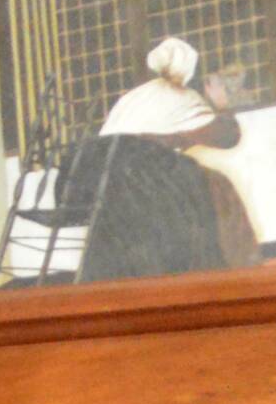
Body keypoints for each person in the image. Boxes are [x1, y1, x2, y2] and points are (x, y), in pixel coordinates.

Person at [57, 38, 254, 280]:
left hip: (96, 180)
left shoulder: (135, 96)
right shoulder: (183, 97)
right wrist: (222, 105)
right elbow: (227, 137)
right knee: (210, 185)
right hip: (134, 179)